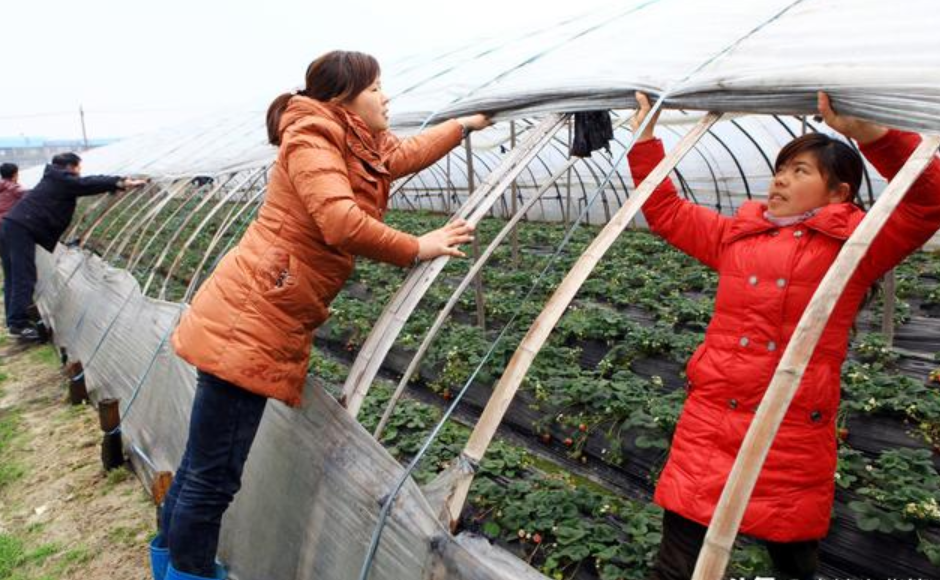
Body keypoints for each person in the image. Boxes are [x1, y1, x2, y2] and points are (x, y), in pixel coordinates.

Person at [150, 50, 491, 580]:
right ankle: (187, 573)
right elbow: (338, 221)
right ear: (343, 96)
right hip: (253, 316)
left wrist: (462, 126)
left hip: (258, 310)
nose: (386, 96)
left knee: (202, 463)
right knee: (213, 475)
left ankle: (170, 563)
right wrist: (415, 246)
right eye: (375, 87)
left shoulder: (350, 137)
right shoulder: (311, 138)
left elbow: (399, 155)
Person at [627, 91, 940, 580]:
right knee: (675, 566)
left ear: (839, 192)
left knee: (793, 563)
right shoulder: (737, 236)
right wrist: (644, 141)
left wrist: (873, 135)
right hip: (710, 426)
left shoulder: (857, 245)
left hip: (788, 432)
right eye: (781, 168)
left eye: (800, 171)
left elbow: (928, 204)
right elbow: (664, 211)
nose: (781, 178)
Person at [0, 153, 146, 341]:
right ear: (70, 167)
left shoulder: (54, 178)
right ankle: (19, 324)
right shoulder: (61, 179)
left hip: (12, 226)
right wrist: (121, 182)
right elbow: (87, 183)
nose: (79, 173)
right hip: (21, 228)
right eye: (78, 168)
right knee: (23, 275)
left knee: (14, 275)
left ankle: (15, 321)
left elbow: (83, 185)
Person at [0, 162, 27, 328]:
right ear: (15, 174)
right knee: (19, 276)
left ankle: (9, 315)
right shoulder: (15, 189)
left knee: (9, 274)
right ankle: (16, 321)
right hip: (10, 232)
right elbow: (36, 197)